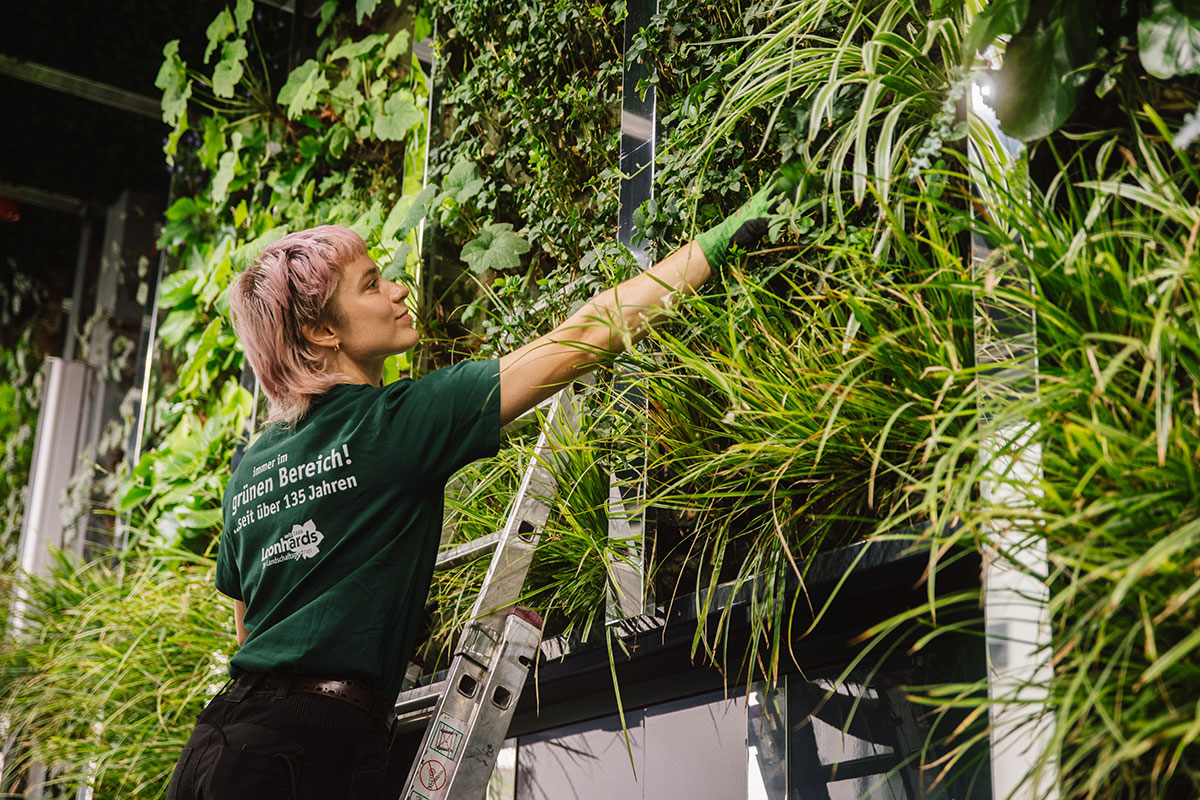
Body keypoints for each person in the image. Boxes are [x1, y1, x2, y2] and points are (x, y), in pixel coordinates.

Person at [165, 165, 798, 800]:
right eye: (371, 285)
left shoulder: (253, 466)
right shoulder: (394, 425)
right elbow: (579, 340)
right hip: (301, 758)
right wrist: (713, 248)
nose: (397, 290)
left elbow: (249, 632)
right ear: (322, 332)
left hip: (216, 747)